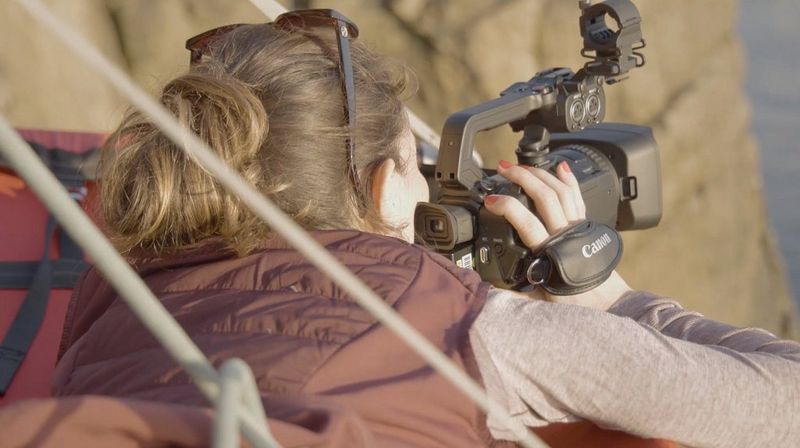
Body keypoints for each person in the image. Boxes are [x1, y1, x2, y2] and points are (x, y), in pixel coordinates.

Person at [52, 10, 800, 448]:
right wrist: (608, 299)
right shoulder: (471, 335)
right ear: (382, 189)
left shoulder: (112, 296)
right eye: (416, 165)